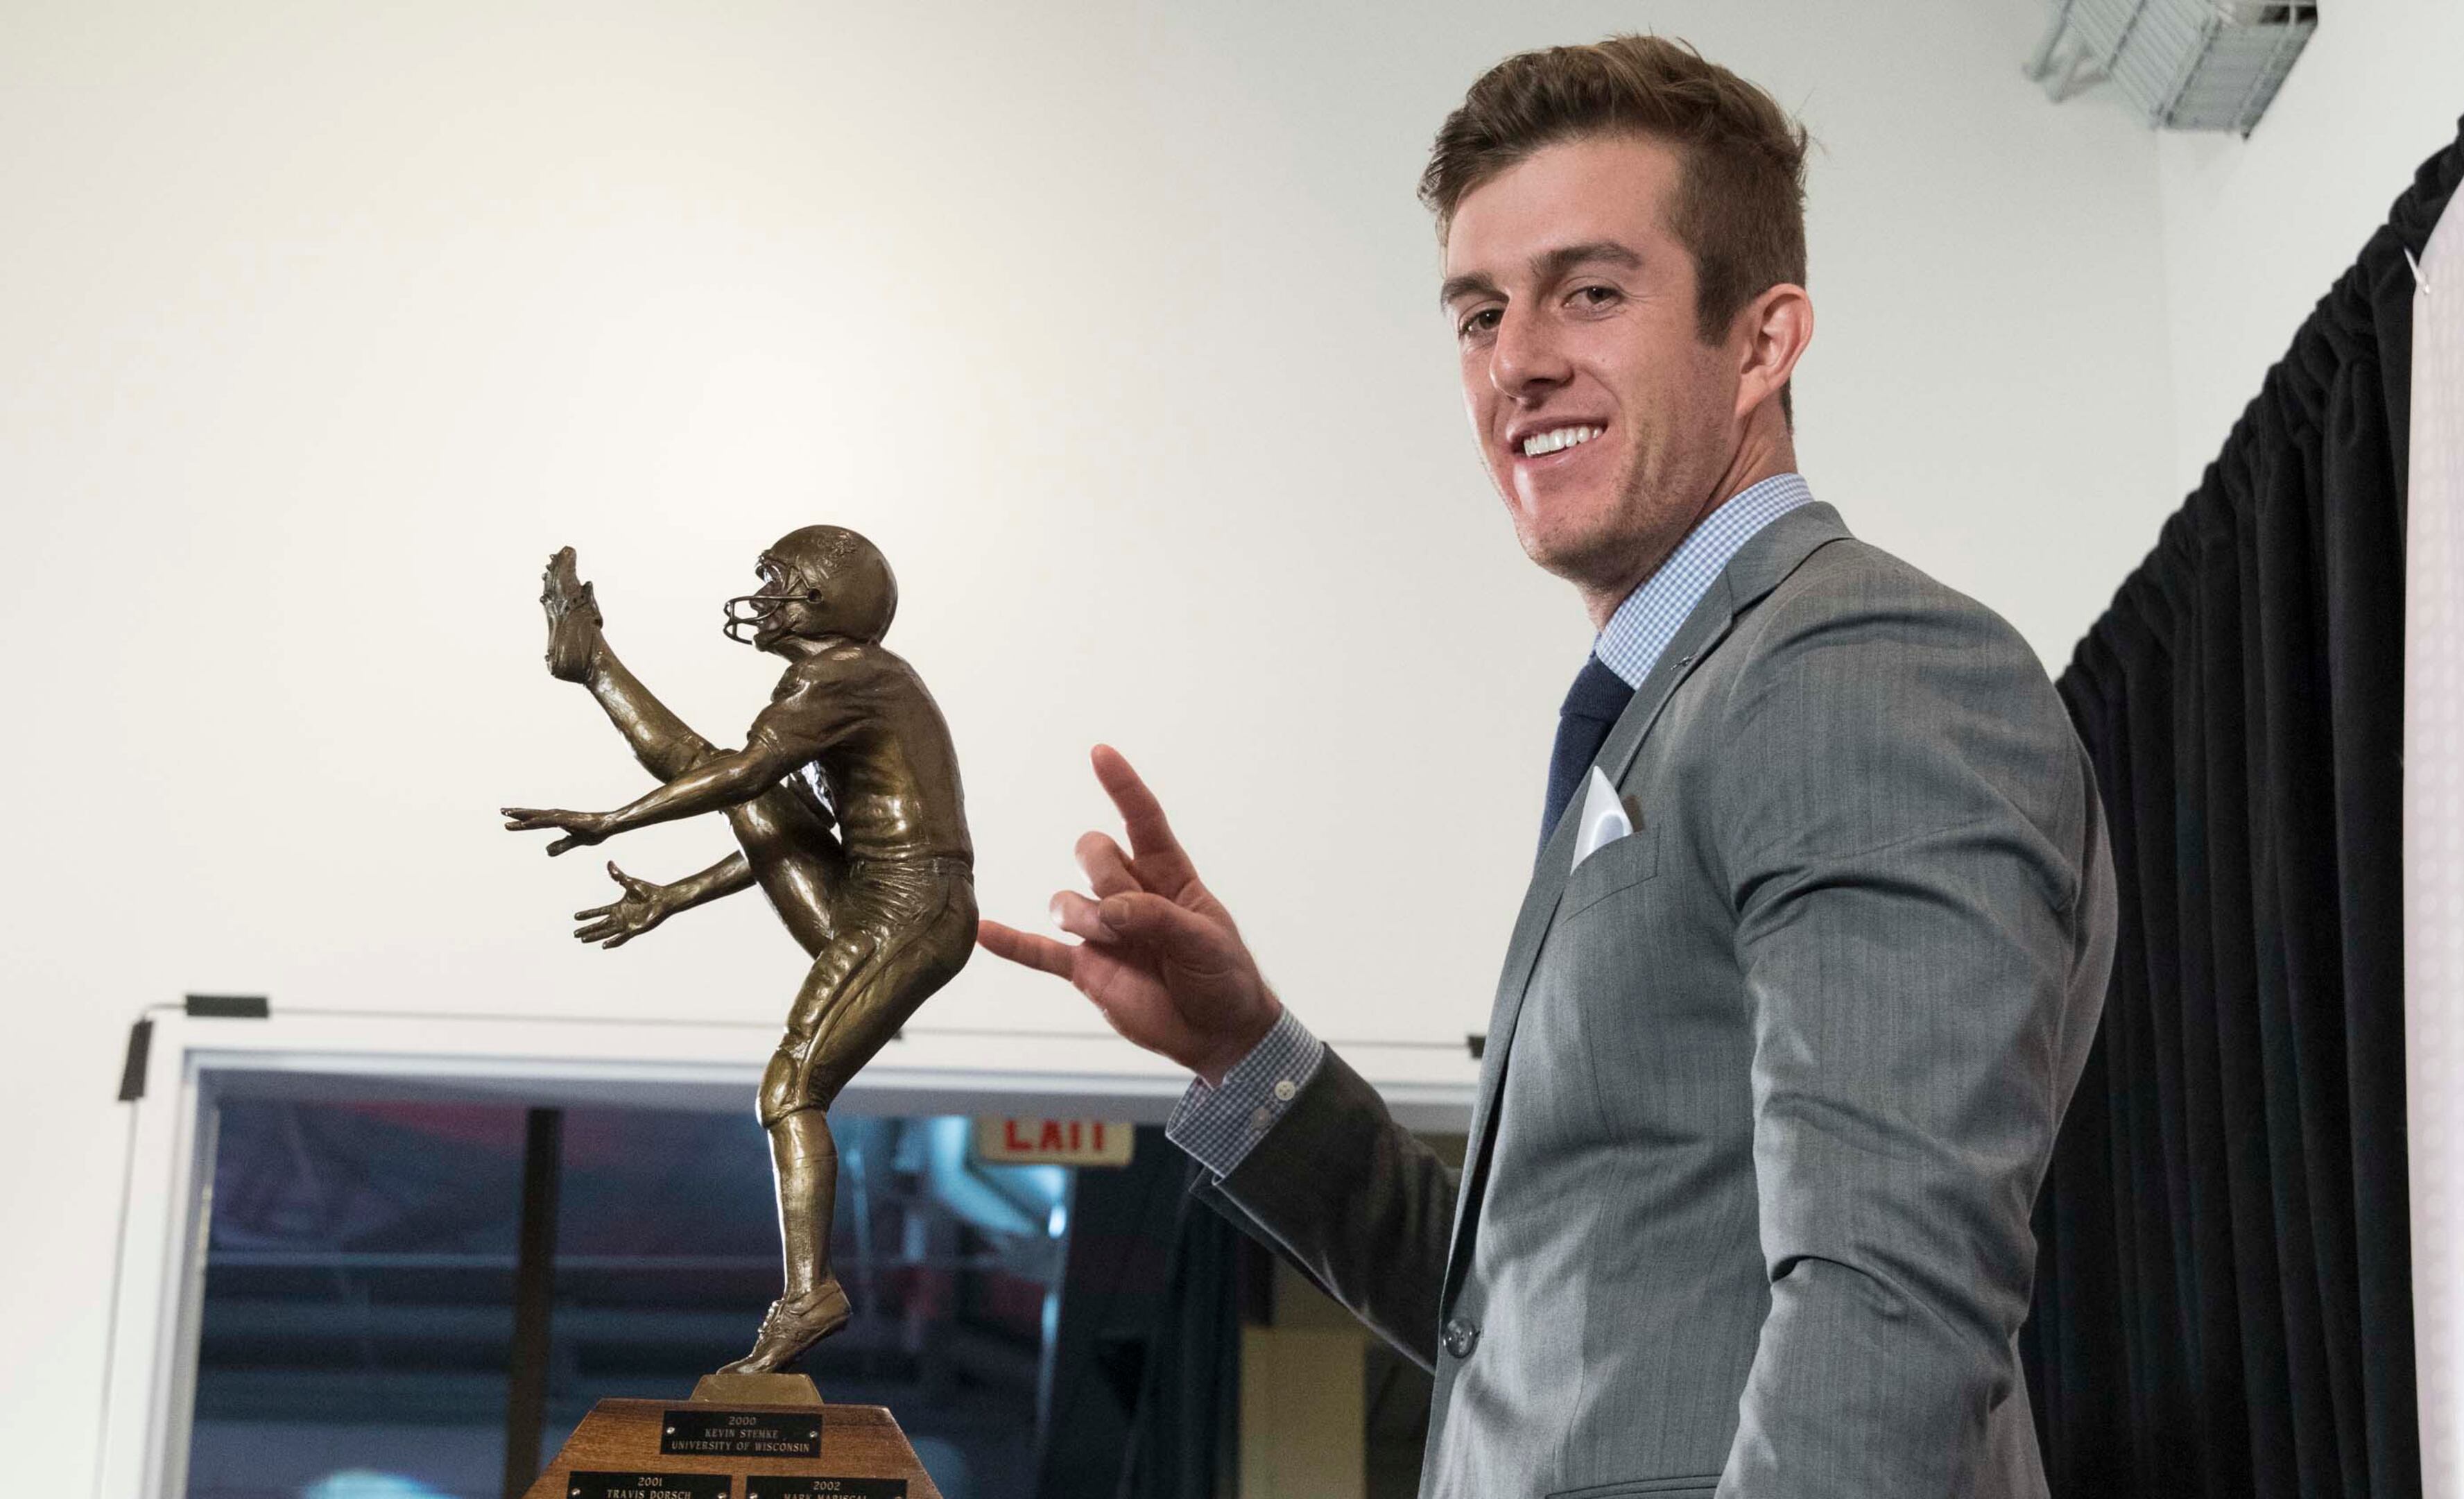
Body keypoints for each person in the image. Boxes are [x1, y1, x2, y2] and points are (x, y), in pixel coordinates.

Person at [979, 35, 2113, 1497]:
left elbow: (1893, 1300)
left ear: (1762, 342)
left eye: (1591, 290)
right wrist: (1244, 1053)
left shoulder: (1858, 666)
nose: (1518, 358)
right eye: (1478, 310)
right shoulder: (1678, 704)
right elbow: (1522, 1318)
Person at [502, 527, 976, 1374]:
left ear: (822, 599)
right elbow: (768, 819)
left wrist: (613, 818)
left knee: (792, 1087)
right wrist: (673, 897)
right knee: (742, 786)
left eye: (775, 580)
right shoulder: (846, 686)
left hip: (911, 907)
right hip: (878, 897)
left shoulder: (844, 677)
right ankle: (592, 662)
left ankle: (810, 1294)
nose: (759, 596)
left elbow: (737, 777)